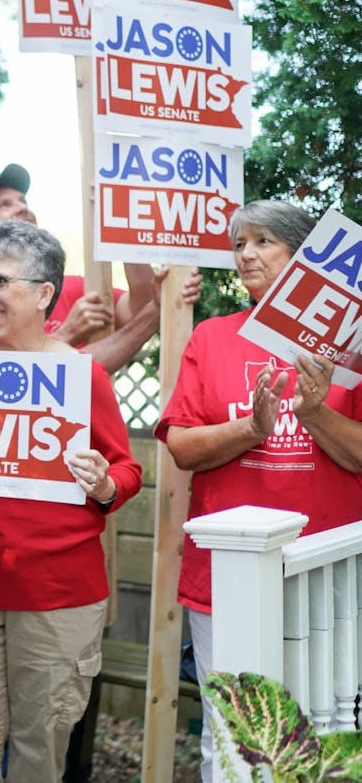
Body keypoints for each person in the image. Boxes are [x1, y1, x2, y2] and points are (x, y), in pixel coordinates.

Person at [0, 218, 142, 782]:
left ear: (43, 294)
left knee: (40, 752)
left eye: (1, 282)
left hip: (57, 595)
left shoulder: (82, 377)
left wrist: (105, 484)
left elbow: (127, 469)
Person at [156, 199, 362, 781]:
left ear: (303, 261)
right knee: (236, 743)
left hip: (331, 575)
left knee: (326, 734)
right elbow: (182, 446)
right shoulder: (214, 338)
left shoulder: (351, 344)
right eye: (238, 244)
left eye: (263, 241)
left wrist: (315, 412)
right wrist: (251, 428)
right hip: (228, 579)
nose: (245, 254)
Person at [0, 163, 197, 374]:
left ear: (45, 293)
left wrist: (119, 220)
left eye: (23, 201)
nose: (22, 208)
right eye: (5, 205)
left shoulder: (72, 286)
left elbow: (141, 304)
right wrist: (66, 336)